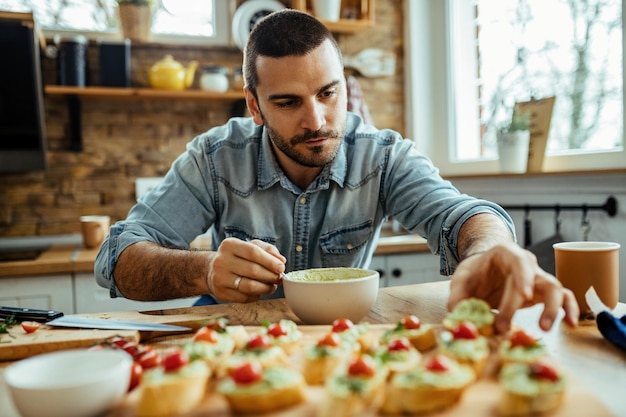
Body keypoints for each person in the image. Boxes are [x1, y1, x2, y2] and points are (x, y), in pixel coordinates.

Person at [95, 9, 578, 334]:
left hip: (348, 339)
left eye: (328, 93)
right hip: (238, 342)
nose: (317, 121)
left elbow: (463, 215)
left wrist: (489, 251)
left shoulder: (383, 155)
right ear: (254, 106)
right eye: (288, 102)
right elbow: (116, 257)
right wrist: (204, 270)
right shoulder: (215, 157)